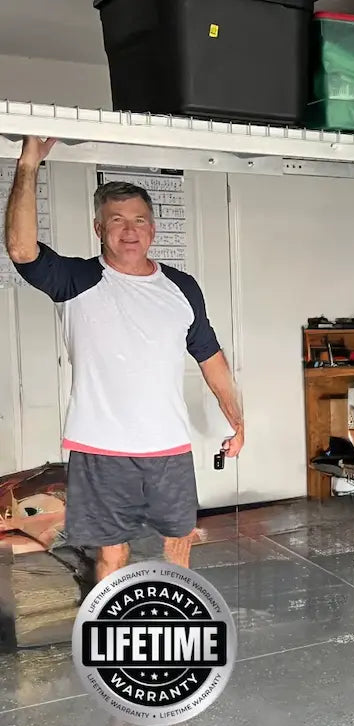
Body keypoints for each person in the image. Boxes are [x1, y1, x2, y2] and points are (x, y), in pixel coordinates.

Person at [3, 136, 244, 582]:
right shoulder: (76, 280)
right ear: (99, 229)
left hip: (169, 448)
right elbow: (21, 250)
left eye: (139, 221)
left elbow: (210, 357)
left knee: (178, 547)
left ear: (153, 230)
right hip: (101, 450)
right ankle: (111, 640)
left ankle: (173, 628)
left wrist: (238, 422)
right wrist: (29, 163)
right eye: (116, 221)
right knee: (112, 557)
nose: (129, 230)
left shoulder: (181, 287)